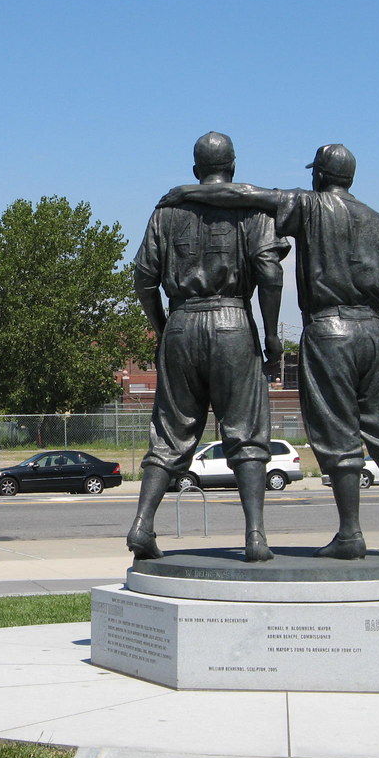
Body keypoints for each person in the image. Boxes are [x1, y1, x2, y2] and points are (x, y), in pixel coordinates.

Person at [159, 143, 379, 560]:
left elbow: (243, 195)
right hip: (373, 332)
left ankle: (350, 534)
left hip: (329, 330)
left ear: (320, 175)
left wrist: (186, 191)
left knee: (339, 438)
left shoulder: (310, 206)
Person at [126, 132, 288, 563]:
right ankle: (255, 535)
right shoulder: (252, 208)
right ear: (233, 166)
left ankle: (143, 523)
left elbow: (143, 277)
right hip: (233, 320)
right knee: (246, 433)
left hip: (180, 322)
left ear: (195, 169)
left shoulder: (168, 210)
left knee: (171, 432)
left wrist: (164, 327)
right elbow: (270, 275)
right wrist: (272, 336)